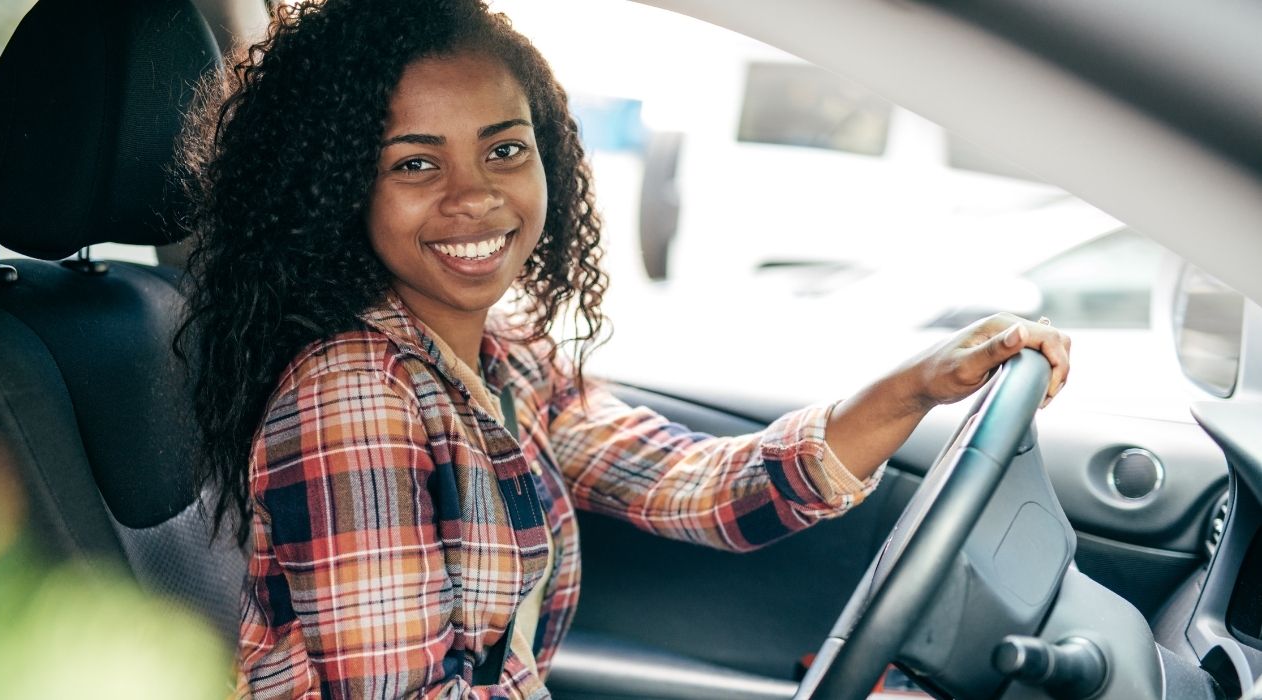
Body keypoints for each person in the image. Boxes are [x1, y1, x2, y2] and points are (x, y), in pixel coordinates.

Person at [175, 1, 1071, 697]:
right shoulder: (354, 398)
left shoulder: (504, 360)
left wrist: (918, 385)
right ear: (340, 192)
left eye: (504, 150)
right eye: (415, 164)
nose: (474, 197)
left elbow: (707, 489)